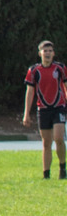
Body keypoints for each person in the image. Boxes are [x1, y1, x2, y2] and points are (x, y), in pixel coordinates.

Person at [23, 41, 67, 180]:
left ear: (53, 53)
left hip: (59, 107)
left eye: (50, 51)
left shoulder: (60, 68)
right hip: (43, 109)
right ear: (40, 53)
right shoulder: (34, 70)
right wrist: (26, 114)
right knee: (46, 142)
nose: (47, 53)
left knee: (59, 138)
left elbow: (65, 86)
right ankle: (46, 174)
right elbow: (29, 92)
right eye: (45, 51)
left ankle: (62, 168)